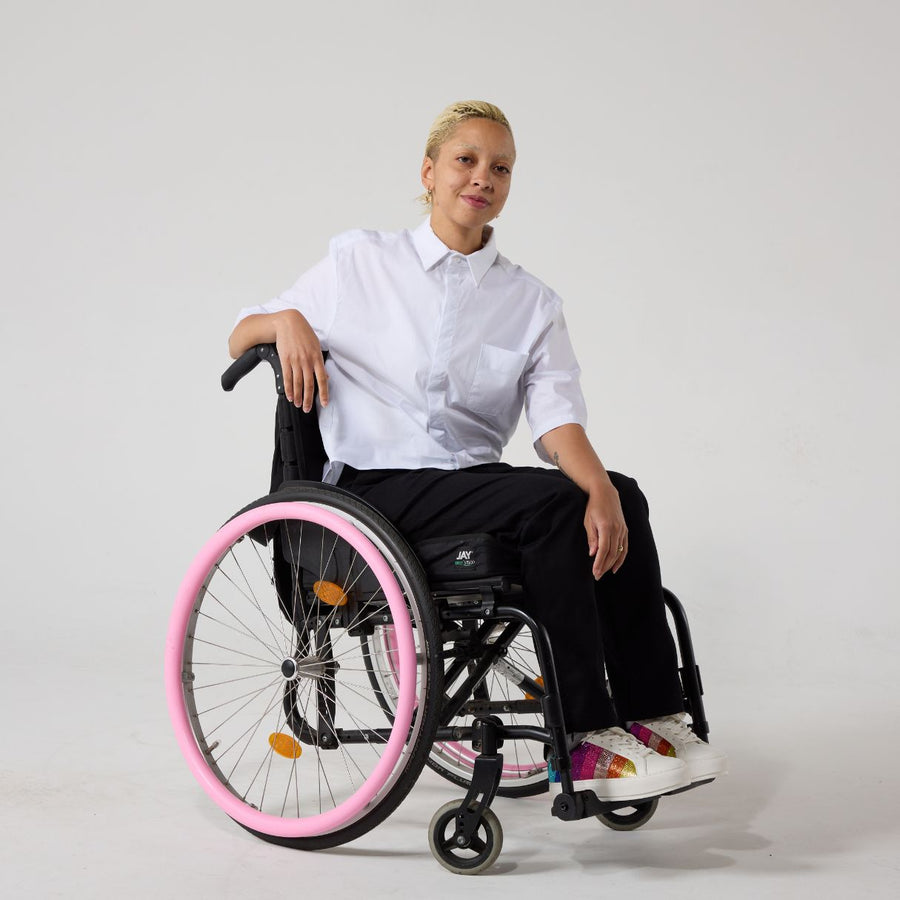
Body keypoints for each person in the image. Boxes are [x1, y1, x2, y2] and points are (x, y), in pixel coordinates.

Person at [229, 100, 727, 803]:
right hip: (375, 492)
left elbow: (556, 422)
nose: (482, 177)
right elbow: (238, 335)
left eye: (500, 167)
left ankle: (654, 717)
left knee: (619, 493)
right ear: (429, 172)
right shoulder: (360, 263)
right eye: (466, 160)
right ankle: (584, 740)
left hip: (471, 484)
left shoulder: (530, 301)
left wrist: (604, 493)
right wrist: (284, 321)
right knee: (558, 504)